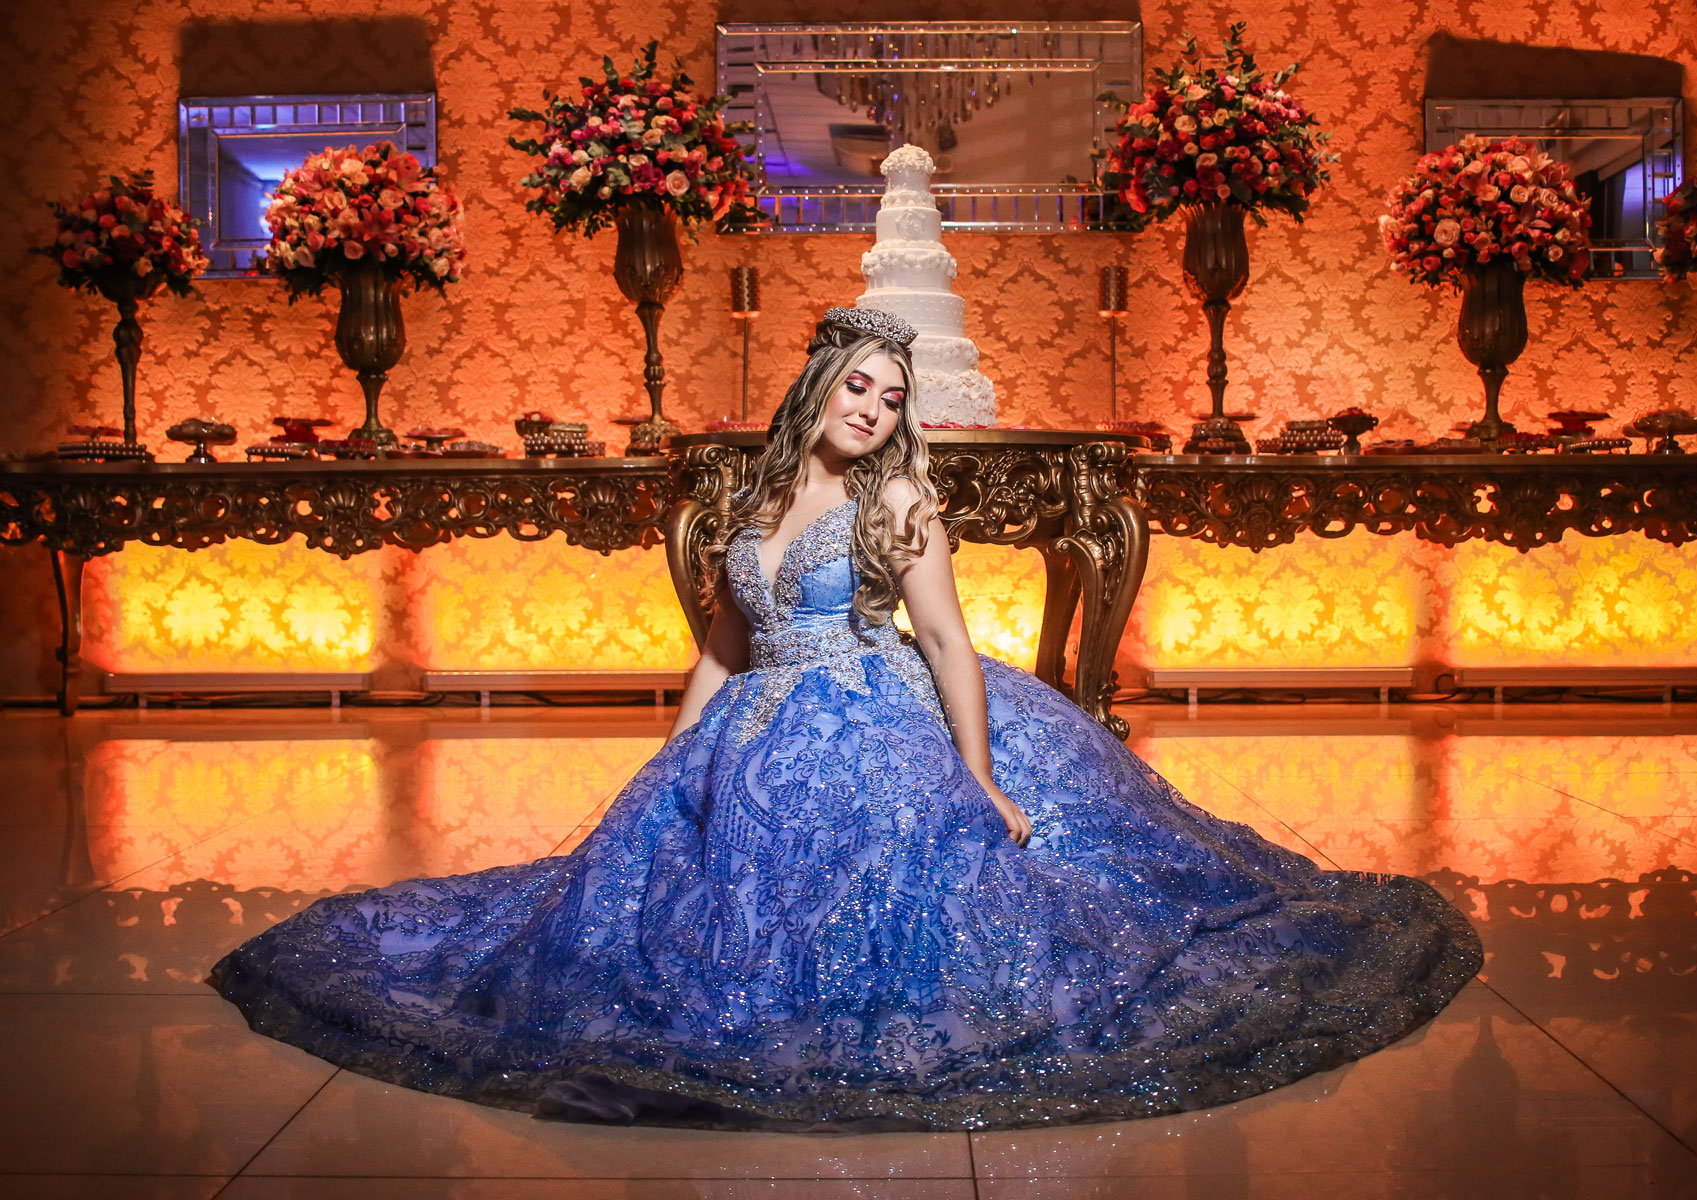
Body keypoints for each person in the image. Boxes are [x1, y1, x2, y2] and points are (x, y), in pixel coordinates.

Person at [209, 306, 1481, 1132]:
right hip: (753, 719)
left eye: (887, 400)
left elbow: (945, 643)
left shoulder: (902, 507)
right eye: (856, 389)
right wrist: (671, 767)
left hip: (875, 712)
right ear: (818, 385)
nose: (869, 412)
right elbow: (721, 645)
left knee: (912, 897)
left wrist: (978, 777)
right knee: (659, 896)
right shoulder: (747, 511)